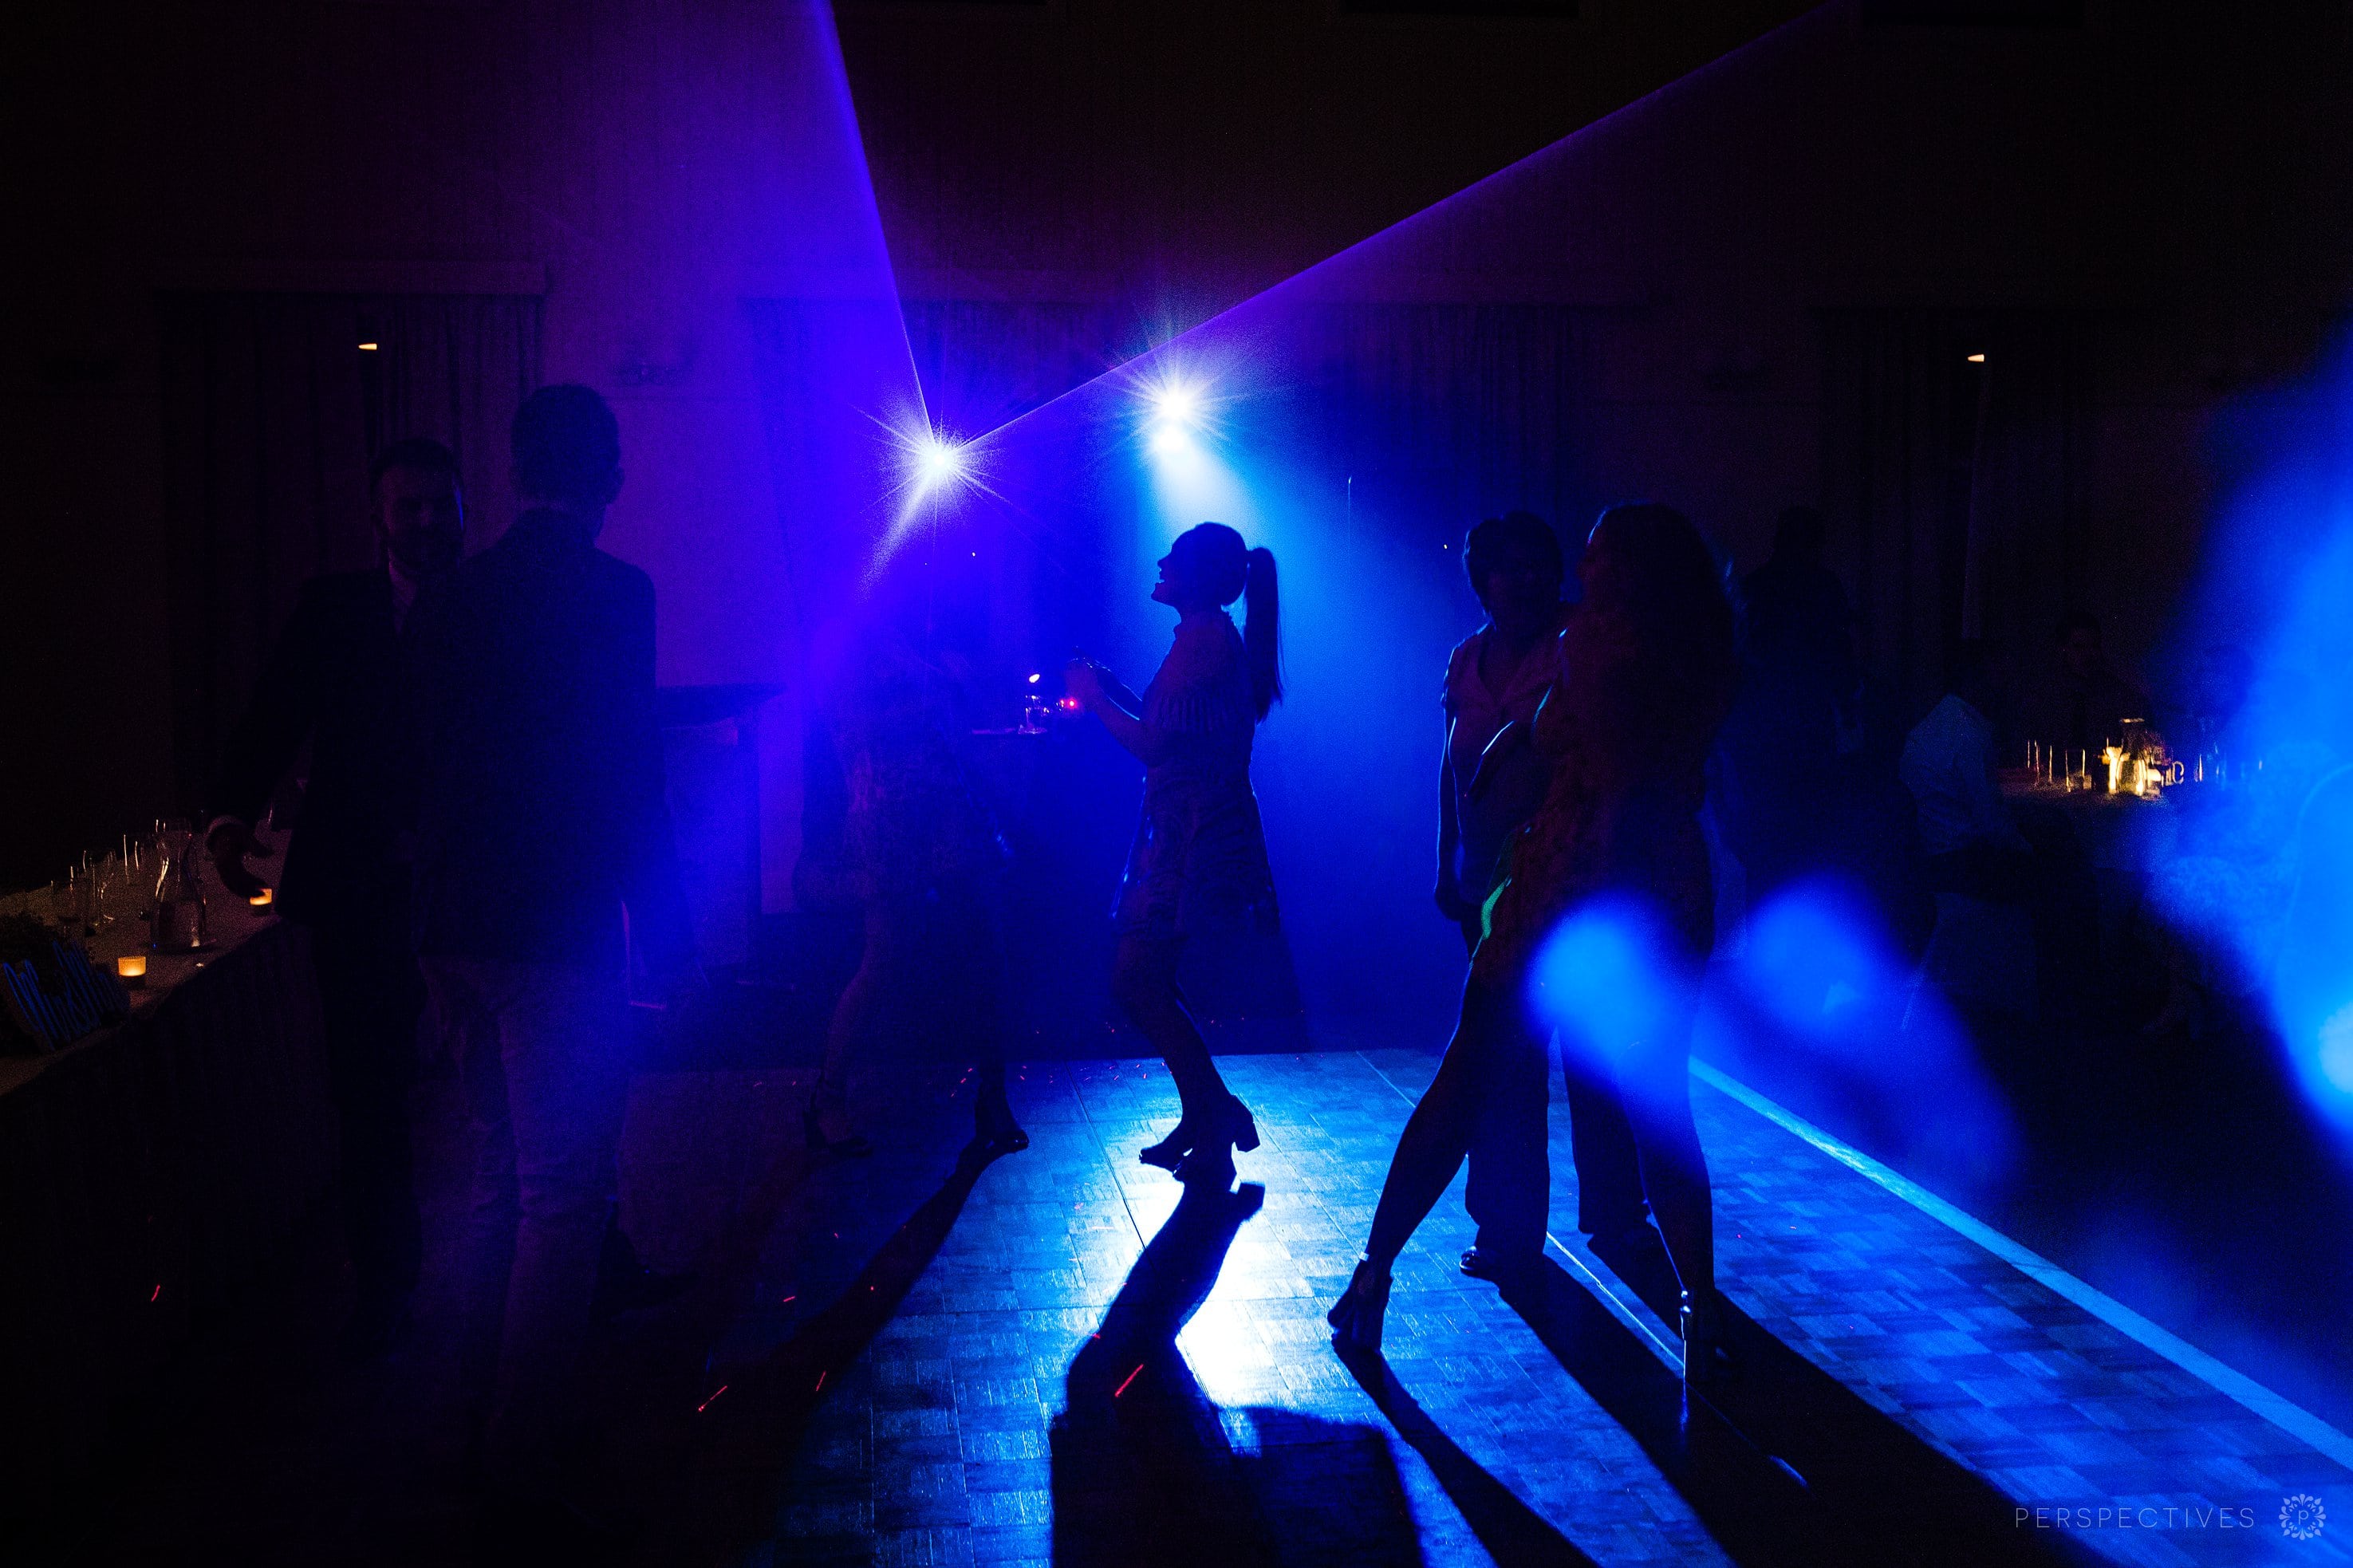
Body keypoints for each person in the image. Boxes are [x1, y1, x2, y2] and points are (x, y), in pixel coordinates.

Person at [1330, 504, 1740, 1380]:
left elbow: (1580, 747)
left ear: (1625, 571)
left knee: (1466, 1077)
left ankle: (1372, 1276)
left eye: (1590, 557)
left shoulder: (1595, 640)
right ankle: (1698, 1304)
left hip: (1577, 873)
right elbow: (1584, 739)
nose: (1576, 571)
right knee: (1655, 1100)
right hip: (1659, 877)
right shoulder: (1693, 649)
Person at [408, 384, 699, 1538]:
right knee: (563, 1195)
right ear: (607, 472)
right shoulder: (617, 595)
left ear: (517, 466)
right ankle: (520, 1459)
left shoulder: (450, 597)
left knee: (493, 1181)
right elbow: (631, 772)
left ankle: (462, 1425)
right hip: (554, 922)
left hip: (455, 921)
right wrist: (667, 920)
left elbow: (418, 765)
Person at [207, 436, 463, 1361]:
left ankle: (564, 1263)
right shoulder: (336, 609)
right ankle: (387, 1284)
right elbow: (273, 716)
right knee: (366, 1096)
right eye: (412, 507)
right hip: (361, 884)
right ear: (379, 519)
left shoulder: (492, 607)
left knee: (523, 1087)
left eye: (443, 503)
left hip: (473, 883)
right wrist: (231, 819)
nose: (430, 521)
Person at [1435, 511, 1646, 1285]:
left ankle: (1620, 1216)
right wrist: (1446, 858)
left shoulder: (1581, 645)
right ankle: (1506, 1225)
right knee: (1503, 1058)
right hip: (1490, 885)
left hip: (1575, 878)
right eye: (1507, 565)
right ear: (1481, 577)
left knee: (1593, 1053)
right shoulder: (1465, 657)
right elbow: (1450, 768)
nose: (1524, 577)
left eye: (1538, 563)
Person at [1064, 522, 1282, 1184]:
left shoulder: (1206, 641)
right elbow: (1173, 729)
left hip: (1192, 837)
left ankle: (1216, 1109)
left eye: (1176, 558)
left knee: (1137, 981)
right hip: (1190, 830)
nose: (1161, 562)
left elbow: (1155, 746)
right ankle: (1206, 1114)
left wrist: (1097, 698)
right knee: (1147, 979)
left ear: (1200, 576)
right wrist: (1117, 691)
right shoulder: (1206, 638)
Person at [804, 609, 1028, 1159]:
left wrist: (945, 681)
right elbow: (863, 743)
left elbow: (954, 728)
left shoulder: (908, 647)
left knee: (985, 956)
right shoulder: (848, 658)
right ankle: (828, 1099)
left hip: (943, 813)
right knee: (884, 962)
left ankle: (993, 1098)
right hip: (893, 817)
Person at [1899, 641, 2033, 902]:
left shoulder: (1937, 721)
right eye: (1998, 675)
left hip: (1925, 856)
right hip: (1959, 863)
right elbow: (1992, 824)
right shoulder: (1969, 734)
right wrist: (2029, 849)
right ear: (1979, 680)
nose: (2004, 684)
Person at [2020, 611, 2146, 763]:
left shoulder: (2115, 694)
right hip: (2053, 778)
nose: (2087, 654)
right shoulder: (2045, 694)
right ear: (2063, 649)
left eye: (2092, 647)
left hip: (2103, 777)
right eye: (2078, 647)